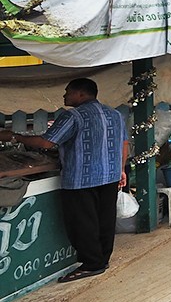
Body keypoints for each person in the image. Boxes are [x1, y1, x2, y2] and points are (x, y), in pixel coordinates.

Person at [0, 78, 128, 283]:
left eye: (68, 91)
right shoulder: (114, 114)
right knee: (105, 220)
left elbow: (46, 142)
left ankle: (92, 264)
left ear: (80, 94)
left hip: (82, 178)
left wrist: (15, 137)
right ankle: (102, 260)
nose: (64, 95)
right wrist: (121, 169)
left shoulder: (73, 116)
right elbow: (124, 144)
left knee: (83, 223)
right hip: (109, 176)